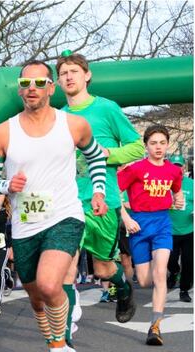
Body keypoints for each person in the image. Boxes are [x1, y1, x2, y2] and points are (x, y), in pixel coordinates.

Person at [0, 60, 107, 352]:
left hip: (64, 215)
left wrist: (98, 190)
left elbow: (96, 157)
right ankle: (60, 345)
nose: (32, 88)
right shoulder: (3, 131)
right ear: (20, 88)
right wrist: (7, 184)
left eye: (39, 83)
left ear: (51, 87)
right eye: (26, 82)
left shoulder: (74, 124)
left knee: (52, 285)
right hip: (25, 225)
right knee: (37, 299)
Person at [57, 52, 144, 336]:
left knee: (103, 269)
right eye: (63, 73)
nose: (68, 76)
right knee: (66, 268)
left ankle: (123, 284)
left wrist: (106, 154)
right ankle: (64, 342)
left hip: (102, 199)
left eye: (73, 71)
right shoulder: (57, 117)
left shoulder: (106, 109)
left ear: (87, 75)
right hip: (68, 200)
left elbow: (137, 147)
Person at [118, 125, 184, 345]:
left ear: (167, 145)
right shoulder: (136, 168)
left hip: (163, 224)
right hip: (139, 225)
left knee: (159, 273)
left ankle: (155, 327)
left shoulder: (174, 170)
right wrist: (126, 218)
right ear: (146, 146)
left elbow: (177, 190)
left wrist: (179, 199)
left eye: (162, 143)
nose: (158, 147)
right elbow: (112, 193)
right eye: (153, 143)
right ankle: (129, 285)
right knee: (145, 280)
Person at [166, 154, 193, 302]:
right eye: (174, 166)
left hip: (189, 230)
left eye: (179, 166)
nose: (177, 169)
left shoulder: (191, 184)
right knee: (171, 260)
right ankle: (174, 271)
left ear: (183, 167)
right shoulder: (164, 183)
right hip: (169, 230)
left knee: (189, 262)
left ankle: (184, 290)